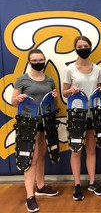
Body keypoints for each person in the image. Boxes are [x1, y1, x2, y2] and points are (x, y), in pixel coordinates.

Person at [11, 49, 59, 212]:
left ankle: (41, 186)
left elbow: (54, 101)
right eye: (35, 60)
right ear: (29, 61)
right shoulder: (22, 79)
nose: (38, 62)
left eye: (41, 59)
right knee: (31, 159)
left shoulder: (50, 80)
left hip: (45, 123)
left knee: (41, 154)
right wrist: (18, 99)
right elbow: (13, 102)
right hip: (28, 123)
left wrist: (54, 95)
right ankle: (30, 197)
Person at [62, 36, 101, 201]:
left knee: (91, 149)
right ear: (75, 48)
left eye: (85, 45)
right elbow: (64, 93)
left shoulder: (98, 69)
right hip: (76, 115)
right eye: (79, 46)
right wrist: (70, 91)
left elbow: (98, 89)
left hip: (94, 114)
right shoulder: (69, 69)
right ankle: (77, 184)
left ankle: (92, 182)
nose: (83, 48)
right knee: (76, 150)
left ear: (90, 47)